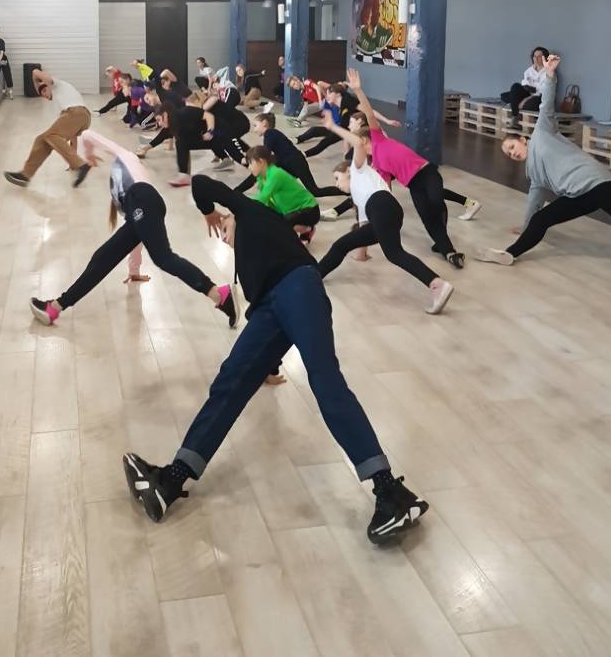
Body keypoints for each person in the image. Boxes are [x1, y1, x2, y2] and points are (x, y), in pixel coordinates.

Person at [122, 174, 429, 544]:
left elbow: (201, 182)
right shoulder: (249, 262)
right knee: (230, 381)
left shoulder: (251, 211)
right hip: (271, 306)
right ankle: (172, 480)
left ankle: (391, 493)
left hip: (299, 286)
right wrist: (265, 364)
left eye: (225, 229)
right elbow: (264, 317)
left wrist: (210, 212)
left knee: (325, 380)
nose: (224, 236)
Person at [29, 137, 237, 327]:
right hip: (142, 204)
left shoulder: (126, 158)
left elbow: (92, 135)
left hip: (143, 197)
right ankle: (55, 308)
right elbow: (138, 234)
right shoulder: (123, 202)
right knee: (103, 258)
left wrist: (88, 150)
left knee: (164, 258)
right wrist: (134, 271)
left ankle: (218, 294)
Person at [477, 54, 611, 265]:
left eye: (512, 147)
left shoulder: (542, 132)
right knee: (541, 219)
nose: (513, 154)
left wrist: (550, 74)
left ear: (522, 139)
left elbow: (546, 104)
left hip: (599, 184)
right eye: (509, 154)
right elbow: (534, 201)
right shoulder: (534, 174)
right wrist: (526, 226)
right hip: (579, 195)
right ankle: (509, 254)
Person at [337, 71, 469, 267]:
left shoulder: (379, 139)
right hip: (414, 185)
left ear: (364, 140)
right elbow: (384, 190)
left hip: (427, 172)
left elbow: (369, 113)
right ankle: (449, 252)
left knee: (435, 200)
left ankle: (444, 237)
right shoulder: (377, 165)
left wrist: (358, 90)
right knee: (427, 219)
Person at [316, 127, 454, 314]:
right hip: (387, 212)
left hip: (382, 206)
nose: (336, 184)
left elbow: (358, 143)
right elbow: (364, 228)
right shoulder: (359, 196)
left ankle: (437, 284)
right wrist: (361, 255)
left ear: (348, 171)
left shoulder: (358, 170)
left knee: (395, 254)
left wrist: (332, 126)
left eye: (337, 178)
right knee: (341, 245)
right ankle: (315, 275)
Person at [4, 69, 92, 188]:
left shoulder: (57, 84)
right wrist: (73, 164)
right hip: (79, 118)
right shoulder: (60, 103)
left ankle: (81, 165)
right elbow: (73, 137)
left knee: (50, 135)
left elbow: (35, 72)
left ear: (48, 86)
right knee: (42, 140)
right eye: (42, 95)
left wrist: (35, 79)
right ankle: (26, 175)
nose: (44, 95)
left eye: (44, 91)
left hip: (78, 112)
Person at [235, 113, 345, 201]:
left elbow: (265, 152)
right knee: (262, 173)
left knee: (315, 191)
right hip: (288, 162)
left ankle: (346, 191)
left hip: (296, 163)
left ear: (264, 123)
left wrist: (250, 158)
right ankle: (238, 191)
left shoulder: (270, 133)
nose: (254, 129)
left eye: (255, 125)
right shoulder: (271, 134)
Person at [245, 145, 320, 241]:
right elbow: (266, 203)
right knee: (272, 221)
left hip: (310, 210)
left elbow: (262, 199)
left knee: (281, 225)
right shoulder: (262, 178)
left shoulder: (275, 174)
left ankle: (307, 229)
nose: (249, 167)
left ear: (261, 161)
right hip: (291, 211)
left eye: (250, 163)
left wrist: (243, 207)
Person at [501, 46, 549, 126]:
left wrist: (526, 99)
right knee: (513, 88)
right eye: (534, 56)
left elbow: (542, 91)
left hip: (539, 97)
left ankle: (514, 105)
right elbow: (524, 85)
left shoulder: (548, 72)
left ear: (545, 58)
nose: (536, 59)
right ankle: (515, 115)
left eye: (539, 57)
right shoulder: (529, 70)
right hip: (527, 93)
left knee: (515, 99)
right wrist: (527, 91)